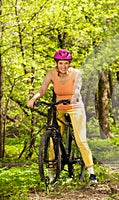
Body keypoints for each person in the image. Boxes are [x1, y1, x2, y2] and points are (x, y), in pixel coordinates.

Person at [27, 49, 98, 186]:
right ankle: (51, 175)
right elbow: (42, 90)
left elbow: (77, 89)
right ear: (56, 63)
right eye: (61, 63)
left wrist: (74, 97)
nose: (63, 66)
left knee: (80, 140)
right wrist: (33, 99)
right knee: (54, 139)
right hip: (59, 107)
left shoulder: (77, 74)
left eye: (66, 63)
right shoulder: (51, 74)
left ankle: (91, 173)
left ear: (69, 63)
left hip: (75, 106)